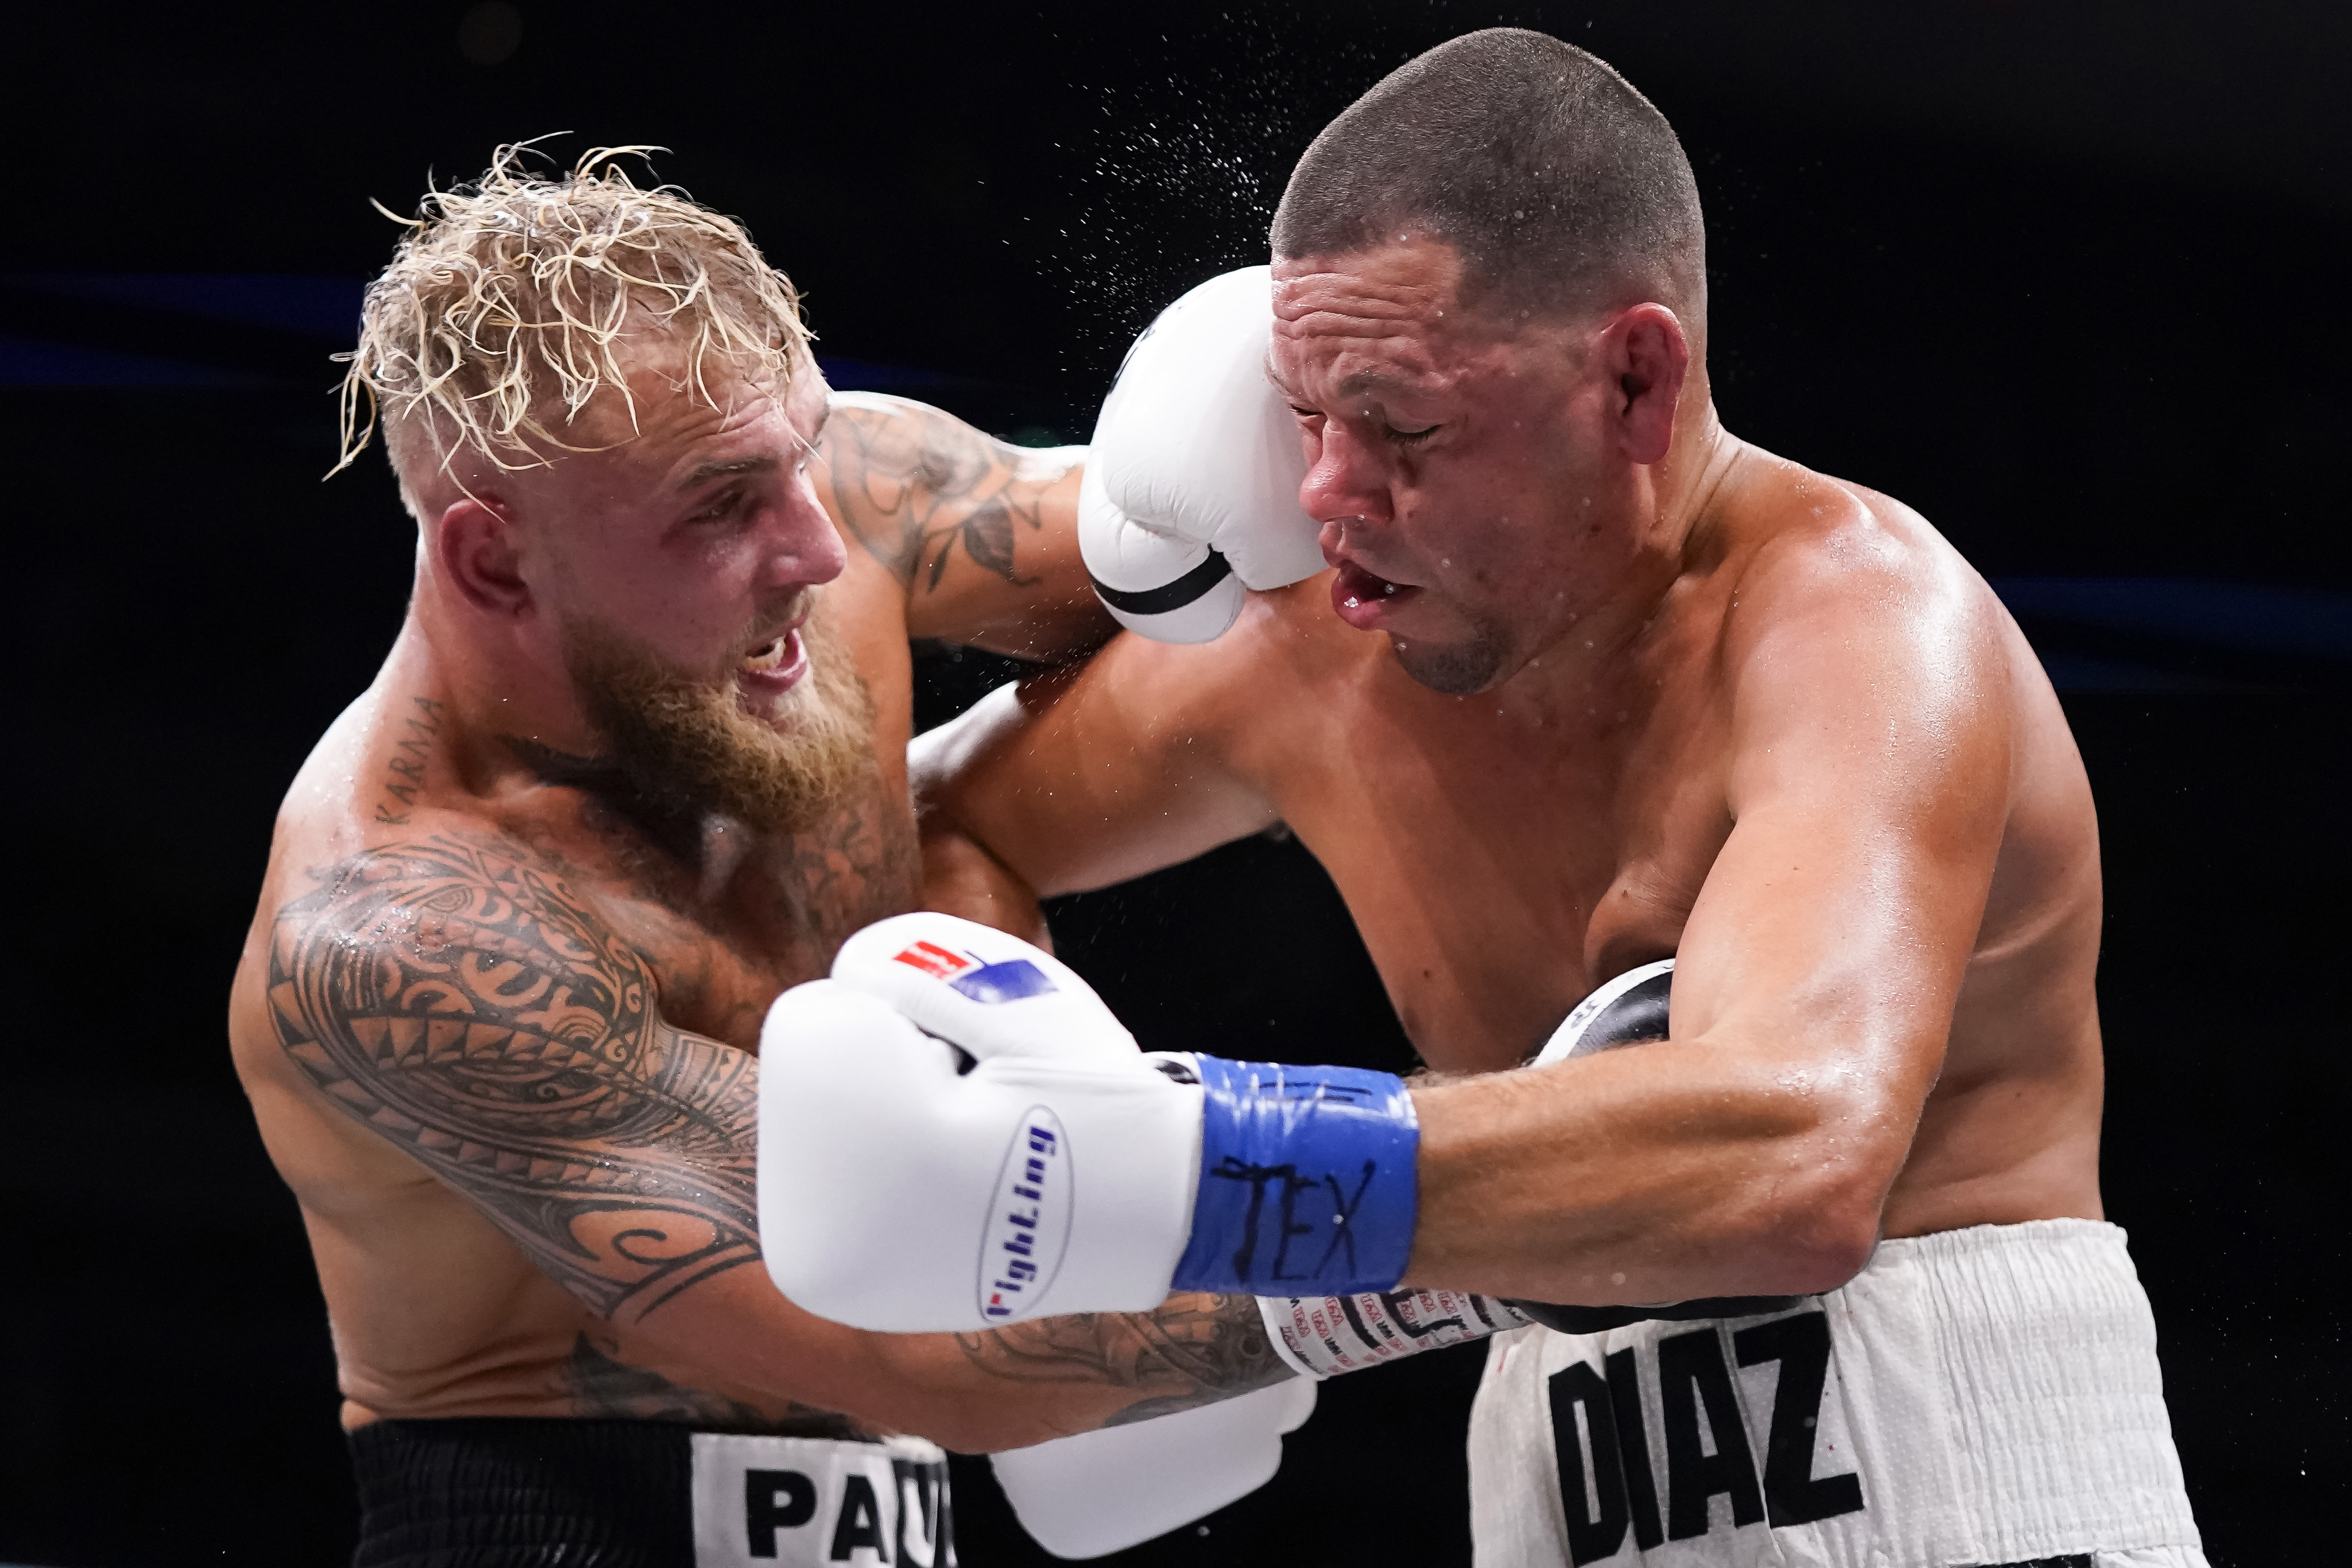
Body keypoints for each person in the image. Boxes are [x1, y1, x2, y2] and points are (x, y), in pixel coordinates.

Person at [775, 29, 2208, 1568]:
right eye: (1308, 416)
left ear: (1636, 381)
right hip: (1557, 1493)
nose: (1328, 489)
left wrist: (1168, 1171)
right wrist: (1045, 1135)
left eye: (1402, 426)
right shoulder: (1316, 653)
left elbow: (1793, 1162)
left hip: (1981, 1502)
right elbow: (942, 826)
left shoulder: (1857, 624)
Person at [225, 146, 1306, 1568]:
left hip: (903, 1523)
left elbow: (1225, 560)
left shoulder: (832, 500)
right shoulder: (401, 934)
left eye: (800, 451)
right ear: (493, 564)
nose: (813, 545)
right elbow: (932, 1333)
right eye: (722, 506)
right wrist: (1549, 1204)